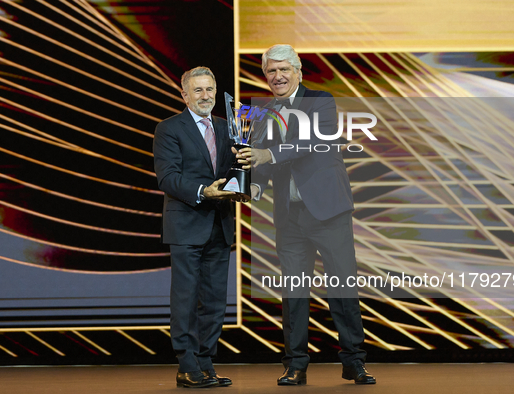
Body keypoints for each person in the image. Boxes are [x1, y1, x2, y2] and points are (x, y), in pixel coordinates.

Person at [249, 45, 376, 385]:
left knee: (343, 286)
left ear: (298, 72)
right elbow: (258, 163)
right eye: (271, 71)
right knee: (293, 293)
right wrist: (253, 188)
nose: (277, 76)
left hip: (328, 212)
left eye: (284, 69)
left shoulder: (320, 101)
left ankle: (354, 361)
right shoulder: (262, 113)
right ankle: (295, 364)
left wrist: (266, 157)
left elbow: (308, 140)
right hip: (289, 217)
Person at [153, 66, 250, 388]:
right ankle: (187, 364)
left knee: (213, 301)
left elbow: (235, 171)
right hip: (186, 226)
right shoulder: (169, 129)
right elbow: (168, 178)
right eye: (198, 90)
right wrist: (202, 191)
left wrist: (246, 184)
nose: (205, 95)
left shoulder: (229, 128)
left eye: (210, 89)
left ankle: (206, 364)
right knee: (186, 299)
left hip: (220, 226)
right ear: (184, 95)